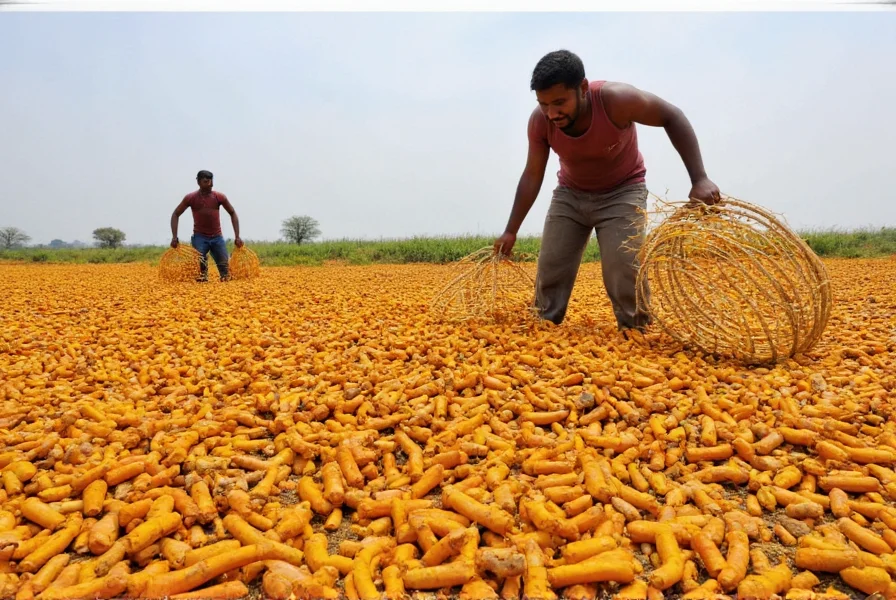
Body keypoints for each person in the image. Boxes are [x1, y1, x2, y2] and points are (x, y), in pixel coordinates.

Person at [494, 49, 721, 333]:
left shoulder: (617, 100)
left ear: (583, 89)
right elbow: (532, 174)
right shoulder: (540, 123)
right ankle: (544, 328)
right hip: (571, 195)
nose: (552, 113)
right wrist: (511, 230)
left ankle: (635, 329)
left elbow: (672, 116)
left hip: (623, 192)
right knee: (551, 265)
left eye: (560, 102)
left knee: (622, 266)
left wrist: (699, 178)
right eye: (543, 104)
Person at [170, 170, 243, 282]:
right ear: (198, 182)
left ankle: (223, 285)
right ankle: (202, 286)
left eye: (211, 181)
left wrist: (237, 236)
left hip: (217, 237)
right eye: (205, 181)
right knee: (200, 268)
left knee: (225, 269)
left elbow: (232, 213)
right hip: (200, 237)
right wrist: (174, 237)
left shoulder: (219, 197)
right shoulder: (191, 198)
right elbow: (176, 214)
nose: (209, 184)